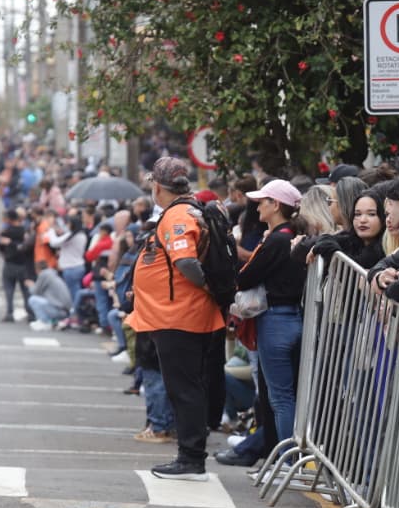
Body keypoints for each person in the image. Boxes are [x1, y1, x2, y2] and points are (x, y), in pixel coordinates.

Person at [127, 156, 227, 480]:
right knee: (188, 386)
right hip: (179, 315)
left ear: (158, 187)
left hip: (179, 316)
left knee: (184, 389)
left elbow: (185, 262)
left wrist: (207, 286)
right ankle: (190, 456)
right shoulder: (188, 210)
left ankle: (191, 459)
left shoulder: (177, 215)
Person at [216, 179, 306, 466]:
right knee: (281, 397)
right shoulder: (286, 236)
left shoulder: (278, 239)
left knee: (280, 398)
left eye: (262, 202)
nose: (257, 208)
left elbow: (245, 277)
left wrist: (230, 248)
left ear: (275, 205)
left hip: (277, 321)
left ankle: (286, 462)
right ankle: (283, 459)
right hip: (287, 319)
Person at [0, 209, 33, 323]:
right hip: (23, 264)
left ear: (9, 219)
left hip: (10, 263)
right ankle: (30, 313)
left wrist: (6, 252)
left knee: (9, 290)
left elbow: (0, 246)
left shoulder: (5, 231)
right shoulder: (25, 231)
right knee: (25, 290)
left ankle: (9, 313)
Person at [26, 261, 72, 329]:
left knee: (33, 299)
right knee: (41, 300)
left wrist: (31, 285)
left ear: (37, 269)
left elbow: (35, 292)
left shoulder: (44, 274)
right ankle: (53, 322)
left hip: (59, 311)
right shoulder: (52, 274)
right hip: (65, 310)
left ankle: (44, 322)